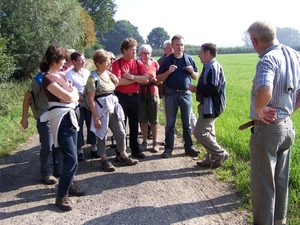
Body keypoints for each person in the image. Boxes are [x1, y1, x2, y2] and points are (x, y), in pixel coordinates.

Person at [245, 20, 300, 225]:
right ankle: (280, 221)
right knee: (280, 181)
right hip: (287, 127)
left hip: (267, 131)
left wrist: (260, 110)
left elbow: (265, 89)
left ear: (255, 40)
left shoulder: (267, 59)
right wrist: (287, 112)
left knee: (263, 185)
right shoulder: (294, 55)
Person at [40, 44, 85, 211]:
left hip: (70, 118)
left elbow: (73, 95)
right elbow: (68, 95)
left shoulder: (60, 75)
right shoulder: (48, 79)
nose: (65, 61)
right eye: (62, 58)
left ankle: (70, 185)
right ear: (54, 60)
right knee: (71, 158)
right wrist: (72, 95)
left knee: (71, 158)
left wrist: (71, 96)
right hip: (61, 121)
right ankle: (61, 195)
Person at [87, 49, 138, 172]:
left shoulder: (108, 74)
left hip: (113, 107)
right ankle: (104, 159)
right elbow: (90, 99)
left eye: (110, 60)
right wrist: (95, 117)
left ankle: (123, 155)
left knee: (120, 131)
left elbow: (114, 86)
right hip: (101, 109)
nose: (110, 63)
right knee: (102, 135)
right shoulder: (92, 78)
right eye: (107, 61)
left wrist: (114, 78)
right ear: (98, 63)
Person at [156, 35, 200, 158]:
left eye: (182, 45)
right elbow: (158, 78)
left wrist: (192, 72)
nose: (180, 47)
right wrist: (168, 71)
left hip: (186, 94)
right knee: (170, 124)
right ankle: (168, 149)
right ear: (172, 46)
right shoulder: (167, 60)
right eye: (177, 45)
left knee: (187, 123)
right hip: (171, 94)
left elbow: (196, 76)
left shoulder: (189, 59)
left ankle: (189, 147)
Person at [187, 43, 229, 169]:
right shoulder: (208, 66)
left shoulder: (213, 67)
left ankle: (220, 154)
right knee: (209, 132)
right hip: (208, 105)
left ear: (207, 53)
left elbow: (213, 88)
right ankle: (210, 159)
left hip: (211, 106)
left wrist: (196, 89)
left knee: (199, 132)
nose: (198, 55)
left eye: (201, 52)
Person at [20, 71, 63, 184]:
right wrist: (25, 118)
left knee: (57, 143)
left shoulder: (58, 76)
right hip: (44, 117)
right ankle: (46, 173)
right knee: (47, 145)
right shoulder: (39, 80)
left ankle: (58, 168)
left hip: (57, 115)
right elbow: (27, 98)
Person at [111, 38, 149, 159]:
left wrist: (130, 76)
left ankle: (135, 149)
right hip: (120, 97)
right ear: (124, 50)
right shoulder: (117, 64)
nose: (135, 52)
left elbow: (146, 79)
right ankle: (120, 151)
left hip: (135, 97)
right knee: (121, 124)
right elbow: (117, 82)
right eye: (132, 50)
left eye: (135, 50)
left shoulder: (138, 63)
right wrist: (136, 79)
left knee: (134, 124)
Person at [66, 51, 98, 161]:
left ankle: (94, 147)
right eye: (80, 60)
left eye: (84, 59)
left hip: (89, 103)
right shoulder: (69, 74)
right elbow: (69, 88)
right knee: (78, 126)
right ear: (74, 61)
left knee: (92, 125)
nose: (83, 62)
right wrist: (77, 96)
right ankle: (80, 150)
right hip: (78, 104)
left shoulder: (86, 72)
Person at [138, 44, 160, 153]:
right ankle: (144, 141)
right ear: (140, 54)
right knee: (143, 119)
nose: (147, 55)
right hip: (141, 94)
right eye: (144, 53)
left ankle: (155, 142)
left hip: (153, 93)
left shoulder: (155, 63)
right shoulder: (137, 64)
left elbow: (160, 78)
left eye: (148, 53)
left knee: (154, 119)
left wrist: (155, 80)